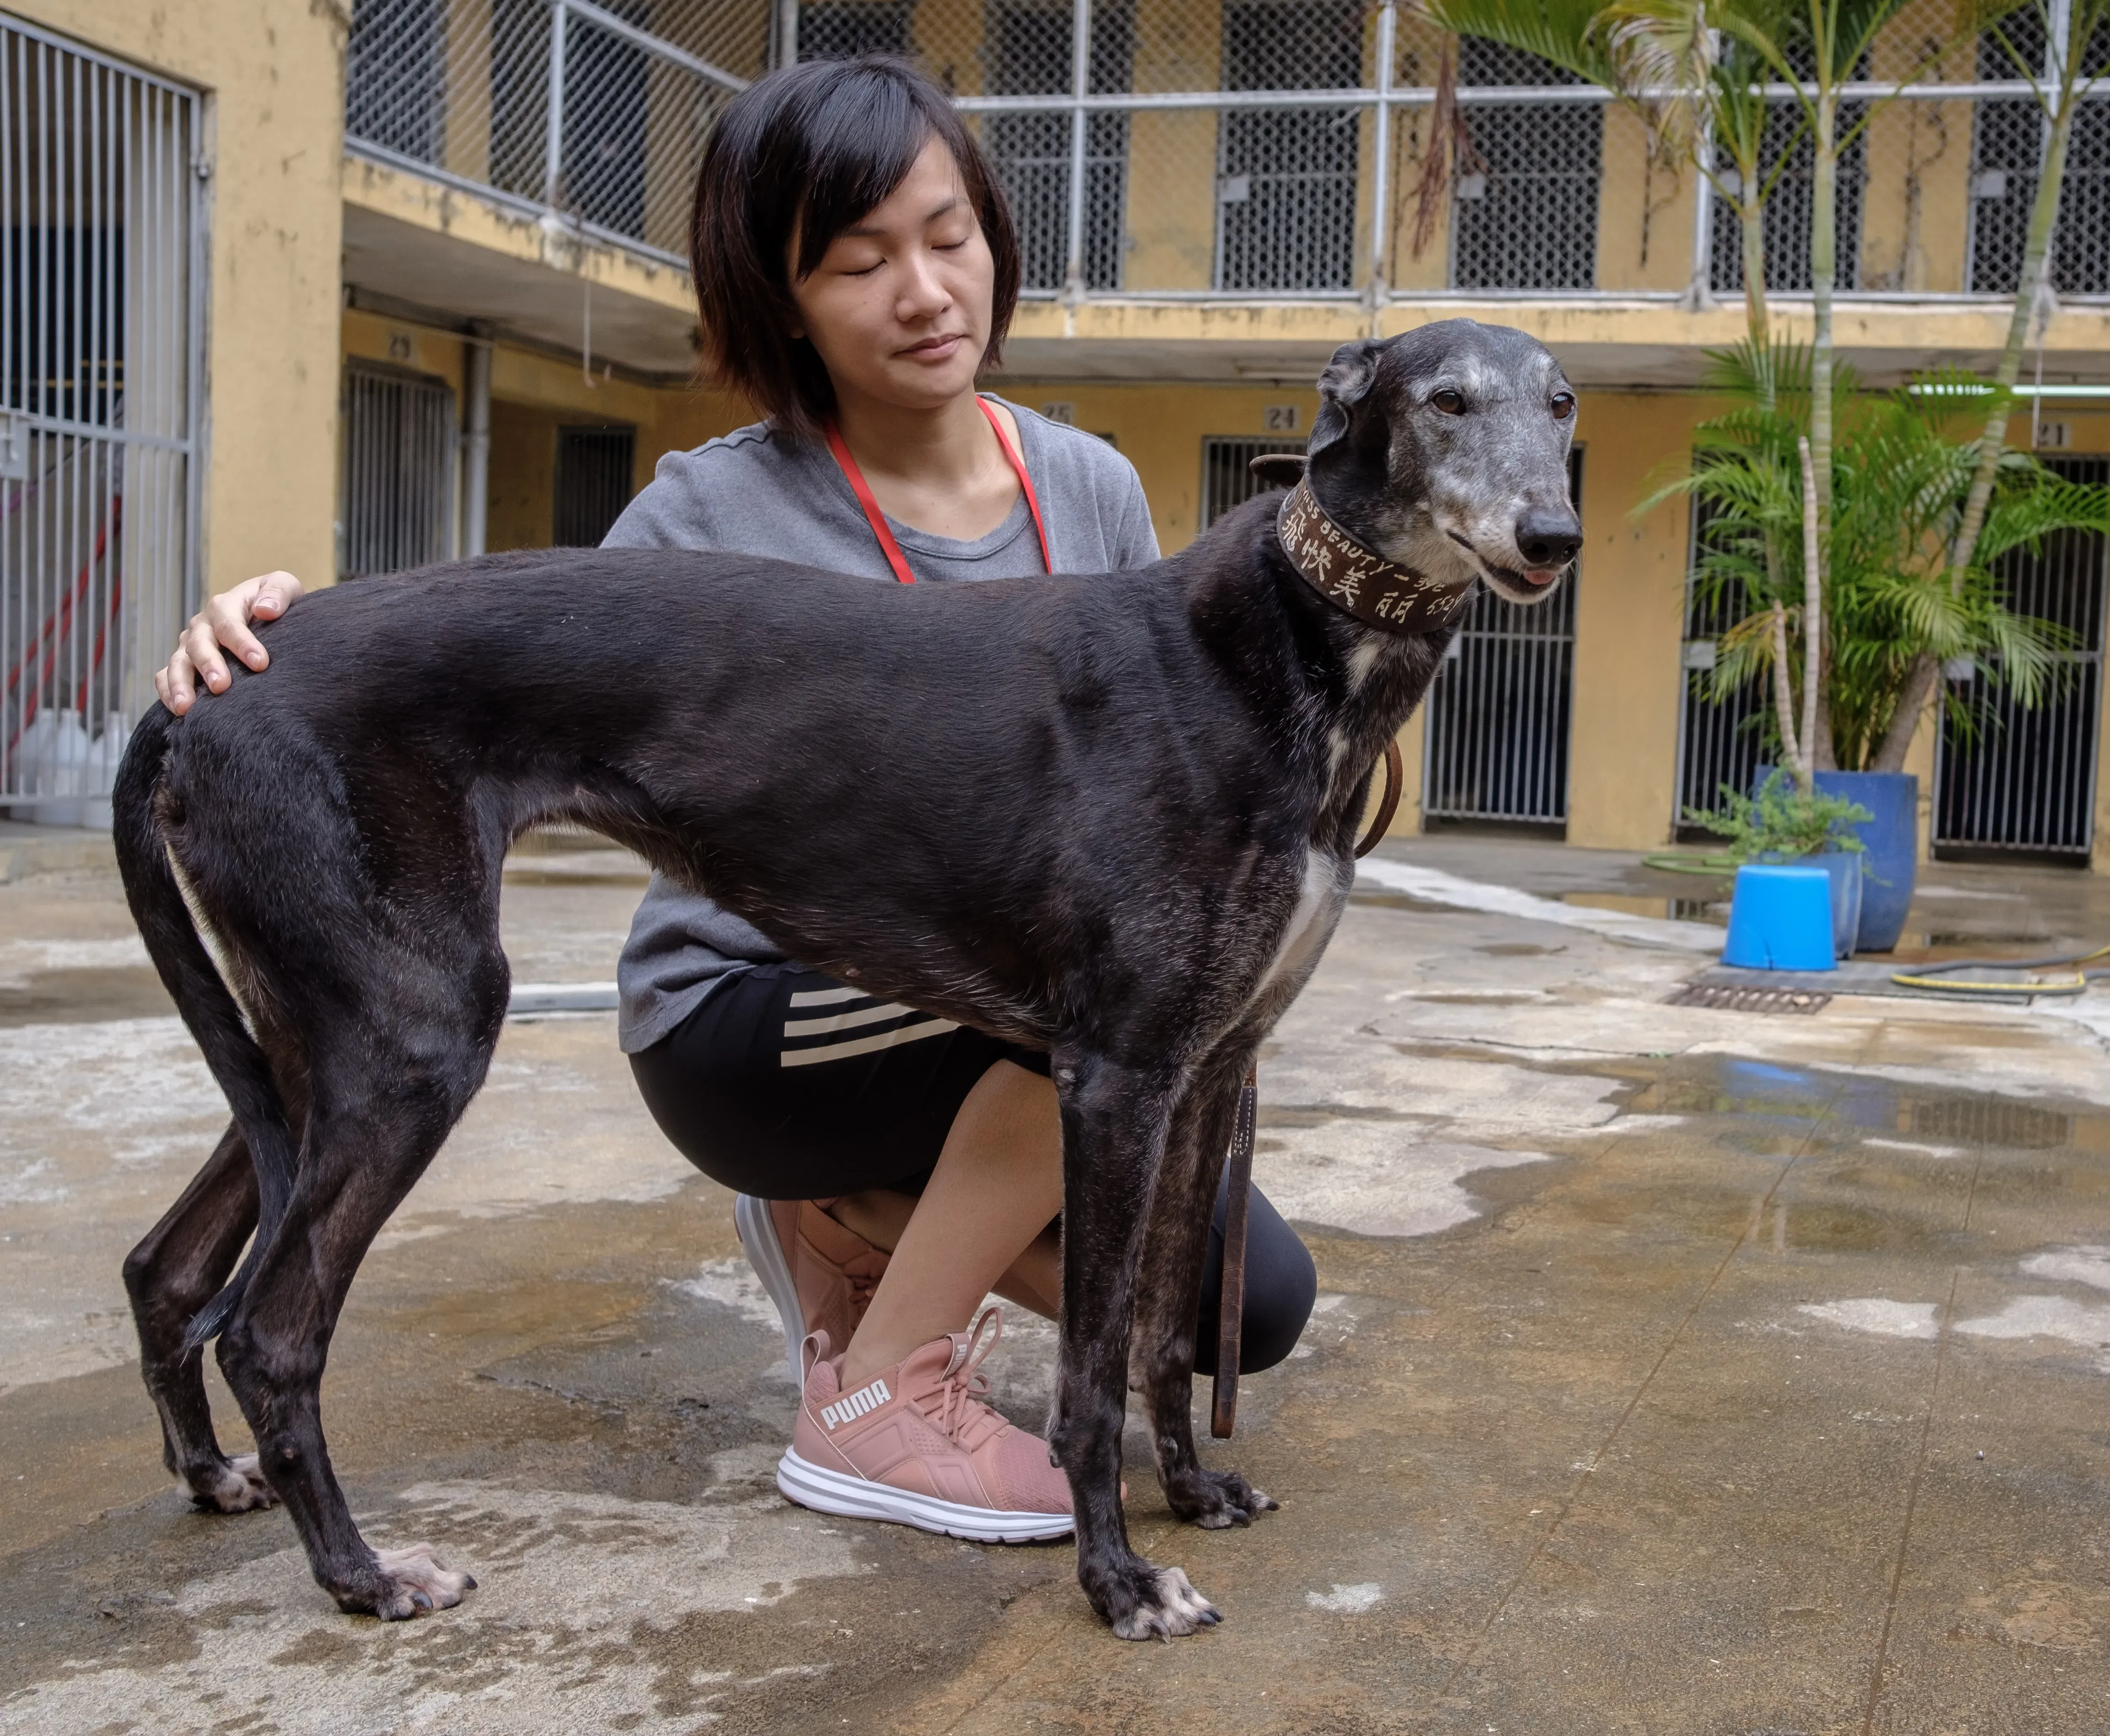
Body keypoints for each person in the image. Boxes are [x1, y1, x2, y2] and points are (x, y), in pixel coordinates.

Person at [153, 55, 1316, 1544]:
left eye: (948, 234)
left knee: (1242, 1307)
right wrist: (276, 642)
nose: (925, 292)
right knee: (1094, 1015)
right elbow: (477, 636)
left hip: (980, 998)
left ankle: (845, 1221)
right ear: (781, 300)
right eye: (858, 261)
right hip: (759, 1015)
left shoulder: (1086, 489)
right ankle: (876, 1394)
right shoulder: (709, 515)